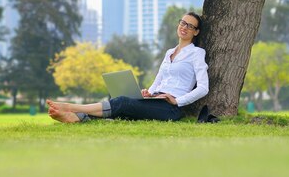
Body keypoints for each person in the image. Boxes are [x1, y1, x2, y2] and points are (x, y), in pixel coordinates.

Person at [47, 12, 208, 123]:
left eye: (190, 26)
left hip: (170, 109)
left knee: (123, 103)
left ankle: (70, 108)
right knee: (122, 104)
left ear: (196, 32)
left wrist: (177, 100)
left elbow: (203, 88)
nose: (185, 27)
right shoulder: (169, 52)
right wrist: (148, 92)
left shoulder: (197, 53)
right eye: (183, 23)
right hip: (155, 99)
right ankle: (78, 117)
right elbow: (159, 79)